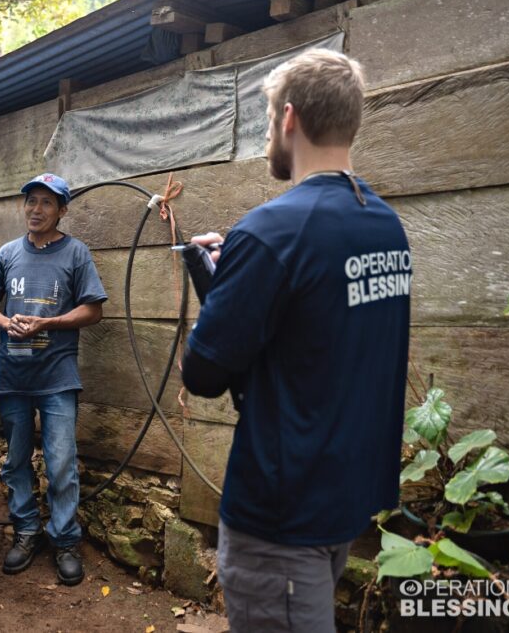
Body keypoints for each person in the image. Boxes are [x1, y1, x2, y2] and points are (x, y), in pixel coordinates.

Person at [180, 49, 410, 632]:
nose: (267, 137)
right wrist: (227, 283)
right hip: (342, 503)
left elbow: (203, 376)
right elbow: (311, 340)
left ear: (288, 119)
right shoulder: (386, 225)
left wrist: (227, 281)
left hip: (277, 520)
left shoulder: (269, 231)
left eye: (265, 124)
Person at [0, 173, 107, 586]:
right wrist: (7, 322)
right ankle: (27, 531)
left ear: (62, 210)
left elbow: (93, 310)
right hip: (13, 376)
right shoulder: (8, 253)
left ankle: (65, 540)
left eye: (47, 203)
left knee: (62, 462)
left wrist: (48, 322)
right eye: (31, 201)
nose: (36, 209)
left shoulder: (76, 253)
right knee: (15, 462)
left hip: (57, 378)